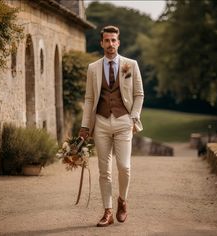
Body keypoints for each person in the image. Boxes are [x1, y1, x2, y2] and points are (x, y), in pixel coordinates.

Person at [79, 25, 144, 227]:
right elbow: (89, 98)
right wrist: (84, 126)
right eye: (106, 40)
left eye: (113, 40)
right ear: (101, 43)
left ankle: (122, 201)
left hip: (124, 121)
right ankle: (107, 211)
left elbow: (138, 94)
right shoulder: (93, 68)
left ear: (118, 42)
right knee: (104, 170)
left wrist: (133, 118)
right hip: (101, 122)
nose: (110, 44)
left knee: (124, 167)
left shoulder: (130, 65)